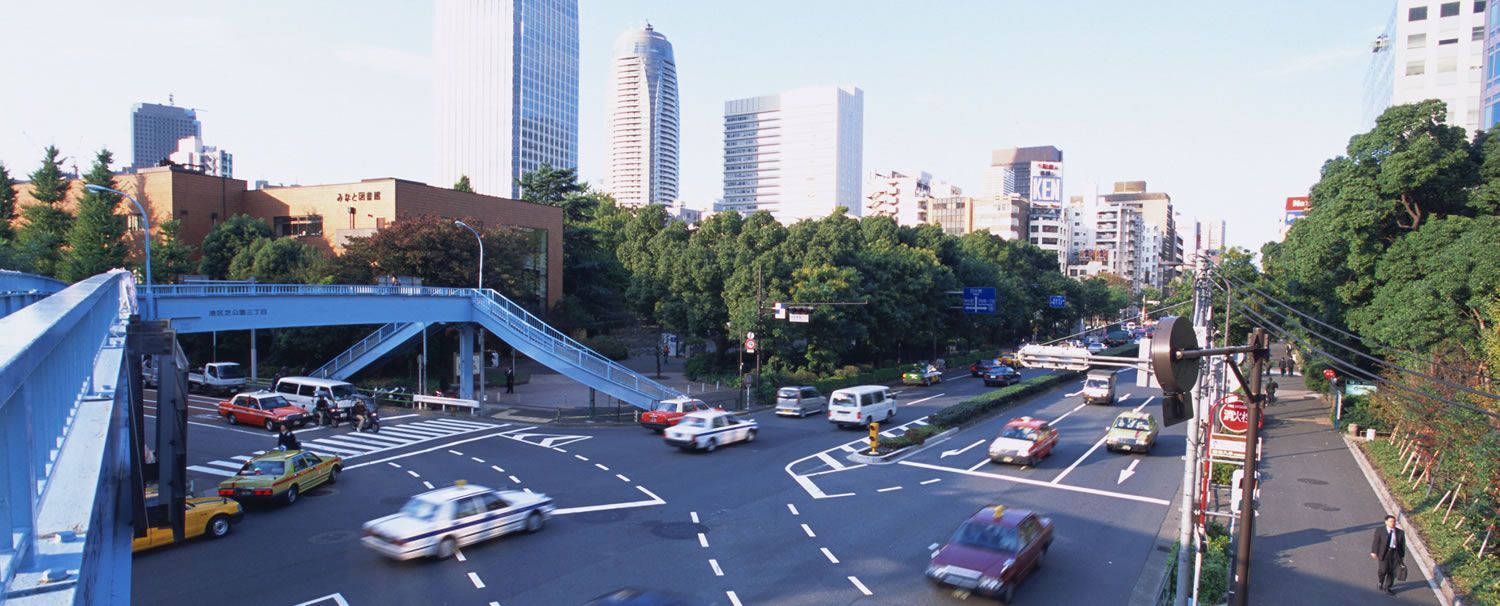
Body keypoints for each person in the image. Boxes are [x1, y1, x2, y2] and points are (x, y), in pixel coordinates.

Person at [1371, 514, 1406, 594]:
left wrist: (1401, 556)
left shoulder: (1400, 532)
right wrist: (1374, 552)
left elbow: (1402, 545)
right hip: (1384, 553)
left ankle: (1388, 587)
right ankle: (1380, 581)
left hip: (1395, 554)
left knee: (1392, 571)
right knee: (1383, 570)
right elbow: (1376, 541)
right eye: (1391, 521)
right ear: (1386, 522)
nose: (1392, 523)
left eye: (1394, 521)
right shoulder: (1380, 530)